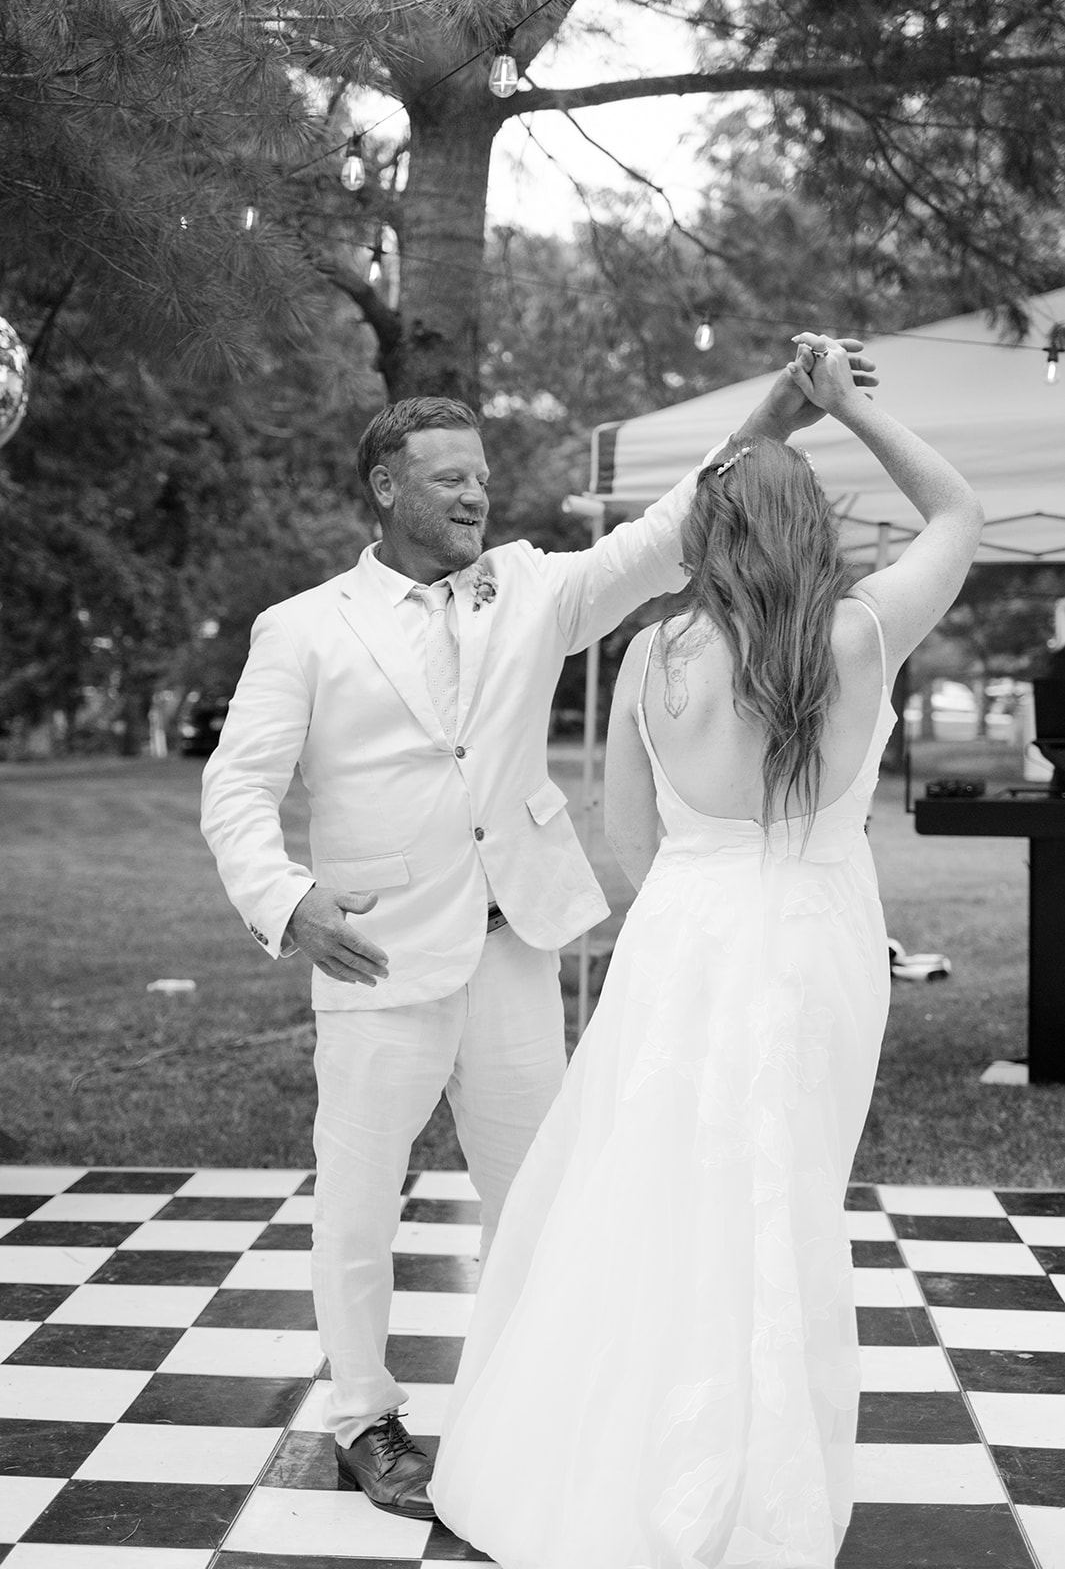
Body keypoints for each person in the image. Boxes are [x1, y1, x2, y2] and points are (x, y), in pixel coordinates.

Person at [199, 344, 876, 1524]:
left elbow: (671, 531)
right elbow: (236, 787)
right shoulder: (302, 628)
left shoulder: (533, 587)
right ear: (384, 490)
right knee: (361, 1202)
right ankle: (365, 1416)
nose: (476, 494)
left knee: (548, 1198)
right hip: (378, 955)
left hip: (515, 948)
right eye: (449, 476)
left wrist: (780, 408)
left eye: (483, 474)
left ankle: (525, 1408)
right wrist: (286, 900)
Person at [429, 334, 983, 1567]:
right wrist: (846, 410)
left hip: (685, 931)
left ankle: (609, 1460)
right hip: (814, 940)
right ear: (813, 529)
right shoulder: (864, 633)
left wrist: (776, 418)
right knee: (782, 1194)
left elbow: (629, 839)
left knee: (652, 1185)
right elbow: (959, 507)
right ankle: (747, 1471)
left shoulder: (652, 657)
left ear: (709, 534)